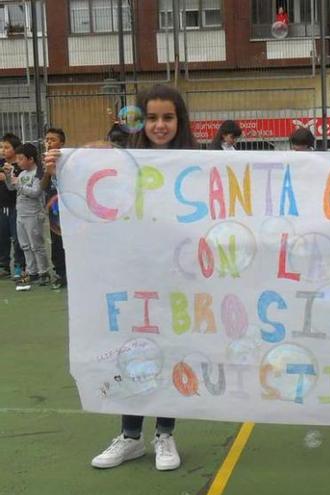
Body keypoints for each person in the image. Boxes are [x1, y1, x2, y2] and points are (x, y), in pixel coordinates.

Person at [45, 84, 196, 472]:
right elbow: (89, 204)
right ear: (138, 122)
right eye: (151, 117)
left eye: (168, 117)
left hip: (177, 278)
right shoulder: (121, 162)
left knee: (168, 350)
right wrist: (58, 172)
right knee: (132, 350)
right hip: (131, 274)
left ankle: (165, 434)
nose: (159, 125)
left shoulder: (197, 163)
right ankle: (130, 437)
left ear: (180, 122)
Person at [2, 143, 49, 290]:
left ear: (31, 159)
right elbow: (11, 187)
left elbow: (36, 192)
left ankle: (43, 272)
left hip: (33, 214)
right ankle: (32, 271)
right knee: (25, 245)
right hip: (20, 214)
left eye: (21, 159)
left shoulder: (37, 174)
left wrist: (18, 185)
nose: (19, 162)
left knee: (37, 245)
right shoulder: (22, 174)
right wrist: (10, 177)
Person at [40, 128, 67, 289]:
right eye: (47, 140)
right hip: (54, 207)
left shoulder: (67, 159)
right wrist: (48, 172)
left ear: (62, 143)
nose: (49, 142)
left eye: (53, 139)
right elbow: (43, 186)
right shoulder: (45, 160)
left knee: (68, 241)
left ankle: (72, 272)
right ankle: (59, 273)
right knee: (56, 242)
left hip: (68, 206)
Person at [0, 132, 26, 280]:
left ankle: (19, 266)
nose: (3, 150)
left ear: (15, 149)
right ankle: (3, 266)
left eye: (6, 147)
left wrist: (7, 178)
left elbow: (20, 184)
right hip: (1, 207)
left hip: (16, 207)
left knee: (17, 239)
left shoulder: (19, 166)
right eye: (1, 147)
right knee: (2, 237)